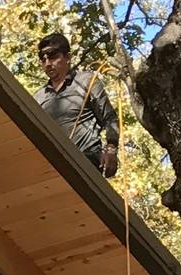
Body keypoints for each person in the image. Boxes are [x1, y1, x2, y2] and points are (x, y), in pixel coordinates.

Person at [34, 30, 120, 176]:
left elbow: (110, 118)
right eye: (43, 59)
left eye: (53, 57)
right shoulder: (39, 97)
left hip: (87, 161)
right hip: (52, 169)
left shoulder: (87, 81)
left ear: (68, 57)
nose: (48, 63)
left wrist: (111, 150)